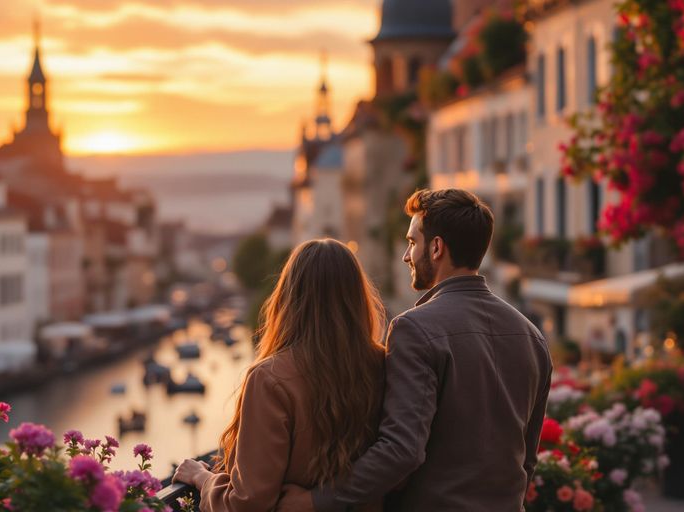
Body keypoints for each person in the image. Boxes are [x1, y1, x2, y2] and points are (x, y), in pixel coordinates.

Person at [285, 188, 552, 511]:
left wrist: (316, 501)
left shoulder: (415, 329)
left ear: (437, 247)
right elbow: (526, 460)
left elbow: (402, 451)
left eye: (412, 242)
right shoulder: (531, 335)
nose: (406, 255)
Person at [172, 239, 388, 511]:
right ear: (358, 298)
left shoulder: (269, 379)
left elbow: (247, 503)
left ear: (288, 299)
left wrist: (203, 478)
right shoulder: (384, 364)